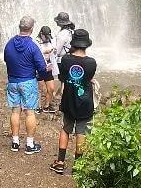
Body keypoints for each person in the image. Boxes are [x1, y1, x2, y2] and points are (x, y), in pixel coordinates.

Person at [49, 29, 97, 175]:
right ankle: (78, 165)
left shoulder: (66, 60)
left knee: (65, 129)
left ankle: (60, 163)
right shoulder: (91, 63)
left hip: (69, 101)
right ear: (86, 45)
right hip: (85, 102)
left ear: (74, 43)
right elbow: (88, 79)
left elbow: (63, 78)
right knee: (81, 132)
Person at [4, 15, 48, 154]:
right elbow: (41, 67)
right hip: (28, 81)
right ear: (32, 28)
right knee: (30, 112)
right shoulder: (33, 46)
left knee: (15, 111)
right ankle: (29, 144)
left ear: (20, 26)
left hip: (12, 81)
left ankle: (15, 142)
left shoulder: (9, 43)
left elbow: (6, 59)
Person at [35, 25, 57, 113]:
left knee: (51, 88)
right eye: (45, 36)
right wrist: (45, 52)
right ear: (41, 34)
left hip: (48, 66)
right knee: (40, 89)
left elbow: (54, 52)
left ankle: (47, 106)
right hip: (39, 67)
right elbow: (34, 54)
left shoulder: (50, 40)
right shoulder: (36, 42)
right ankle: (38, 106)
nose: (47, 38)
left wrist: (54, 51)